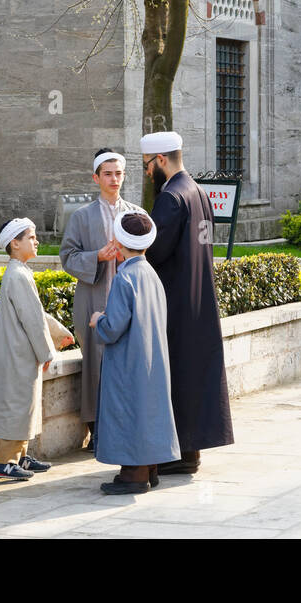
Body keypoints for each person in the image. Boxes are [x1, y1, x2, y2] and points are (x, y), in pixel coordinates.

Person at [141, 130, 234, 475]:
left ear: (161, 160)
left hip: (176, 302)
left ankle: (176, 453)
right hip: (200, 300)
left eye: (148, 166)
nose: (148, 173)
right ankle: (190, 453)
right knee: (193, 376)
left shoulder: (170, 199)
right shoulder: (198, 193)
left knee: (176, 377)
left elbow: (154, 251)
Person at [90, 210, 181, 495]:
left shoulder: (124, 277)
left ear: (119, 241)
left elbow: (113, 327)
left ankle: (134, 473)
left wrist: (97, 321)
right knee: (148, 409)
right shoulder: (150, 273)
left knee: (127, 410)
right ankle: (150, 468)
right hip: (152, 355)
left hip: (128, 359)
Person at [59, 149, 142, 450]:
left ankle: (128, 424)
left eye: (118, 173)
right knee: (95, 364)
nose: (114, 179)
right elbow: (67, 256)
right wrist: (98, 256)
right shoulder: (82, 216)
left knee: (126, 362)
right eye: (107, 173)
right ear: (96, 178)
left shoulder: (135, 214)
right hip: (94, 298)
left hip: (126, 299)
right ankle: (98, 431)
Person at [0, 218, 75, 481]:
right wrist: (48, 352)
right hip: (17, 353)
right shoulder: (17, 274)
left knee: (24, 403)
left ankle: (20, 457)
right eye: (31, 237)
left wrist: (60, 334)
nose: (36, 241)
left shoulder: (20, 271)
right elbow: (33, 319)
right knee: (16, 405)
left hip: (21, 352)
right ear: (15, 244)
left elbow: (35, 313)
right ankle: (2, 462)